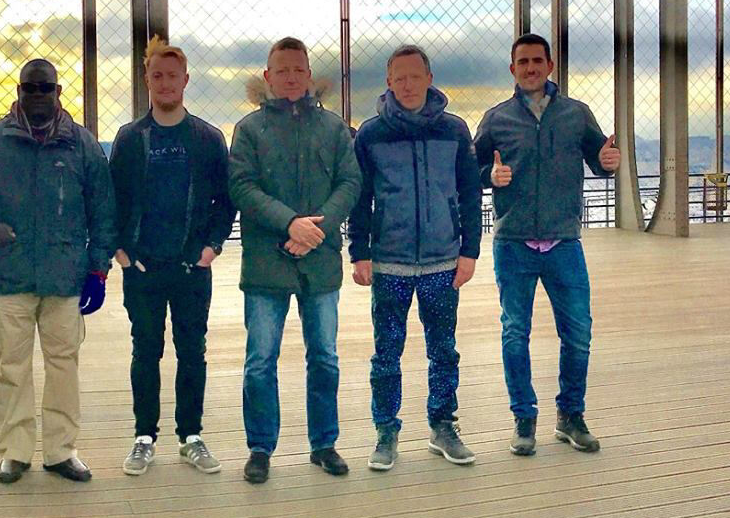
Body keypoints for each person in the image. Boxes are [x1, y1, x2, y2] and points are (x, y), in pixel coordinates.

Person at [0, 58, 115, 484]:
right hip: (10, 275)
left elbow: (103, 210)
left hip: (65, 275)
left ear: (59, 92)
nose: (38, 95)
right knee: (12, 367)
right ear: (19, 91)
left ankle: (62, 450)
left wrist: (98, 271)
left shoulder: (82, 145)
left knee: (64, 365)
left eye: (46, 88)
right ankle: (15, 451)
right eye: (31, 88)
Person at [473, 33, 621, 455]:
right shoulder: (497, 118)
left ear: (550, 66)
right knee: (514, 333)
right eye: (523, 62)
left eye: (538, 61)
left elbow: (600, 159)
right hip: (513, 242)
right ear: (512, 69)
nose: (531, 68)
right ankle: (524, 419)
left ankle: (571, 416)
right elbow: (475, 165)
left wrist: (607, 164)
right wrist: (490, 178)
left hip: (564, 241)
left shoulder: (576, 114)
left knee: (578, 334)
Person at [226, 37, 362, 485]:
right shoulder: (248, 130)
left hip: (319, 262)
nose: (289, 77)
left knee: (324, 357)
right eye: (280, 70)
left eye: (297, 69)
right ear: (267, 77)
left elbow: (350, 182)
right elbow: (242, 187)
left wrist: (315, 230)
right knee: (260, 359)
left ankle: (324, 443)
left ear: (308, 74)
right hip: (267, 263)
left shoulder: (334, 128)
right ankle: (260, 447)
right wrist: (290, 224)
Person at [348, 45, 483, 473]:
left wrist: (470, 251)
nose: (407, 85)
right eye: (399, 78)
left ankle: (443, 425)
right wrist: (360, 252)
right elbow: (360, 197)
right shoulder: (370, 134)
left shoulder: (456, 131)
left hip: (444, 261)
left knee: (443, 349)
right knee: (386, 352)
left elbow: (469, 194)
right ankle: (386, 432)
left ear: (429, 77)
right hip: (390, 263)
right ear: (389, 83)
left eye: (414, 76)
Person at [109, 39, 235, 477]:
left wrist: (212, 246)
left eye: (172, 76)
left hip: (190, 268)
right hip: (142, 267)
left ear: (186, 80)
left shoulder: (206, 138)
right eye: (156, 76)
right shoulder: (130, 138)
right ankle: (144, 437)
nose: (165, 83)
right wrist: (120, 251)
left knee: (192, 351)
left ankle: (191, 436)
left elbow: (226, 200)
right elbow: (114, 199)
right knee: (145, 350)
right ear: (147, 81)